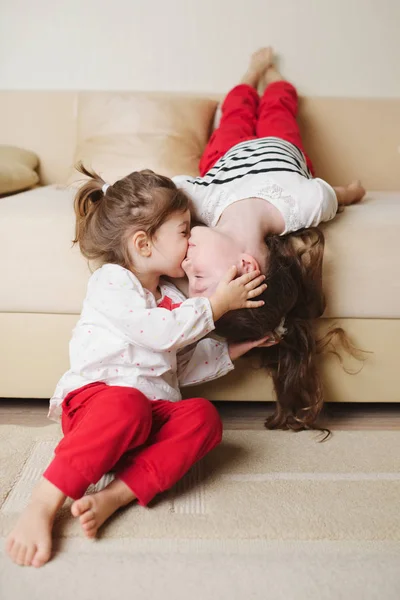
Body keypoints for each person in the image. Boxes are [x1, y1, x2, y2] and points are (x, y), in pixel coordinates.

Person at [6, 165, 268, 568]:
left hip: (149, 417)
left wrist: (235, 349)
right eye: (183, 232)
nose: (191, 241)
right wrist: (215, 306)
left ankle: (114, 496)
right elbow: (159, 334)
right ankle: (43, 502)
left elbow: (178, 364)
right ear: (144, 243)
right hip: (99, 406)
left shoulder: (170, 297)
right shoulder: (112, 282)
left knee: (203, 416)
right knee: (125, 404)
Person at [173, 47, 365, 433]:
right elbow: (327, 195)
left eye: (188, 280)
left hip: (222, 157)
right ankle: (269, 75)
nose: (183, 266)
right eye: (199, 279)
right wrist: (345, 194)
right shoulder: (301, 204)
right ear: (246, 266)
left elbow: (148, 192)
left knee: (237, 110)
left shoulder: (200, 203)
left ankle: (249, 76)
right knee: (278, 106)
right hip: (281, 147)